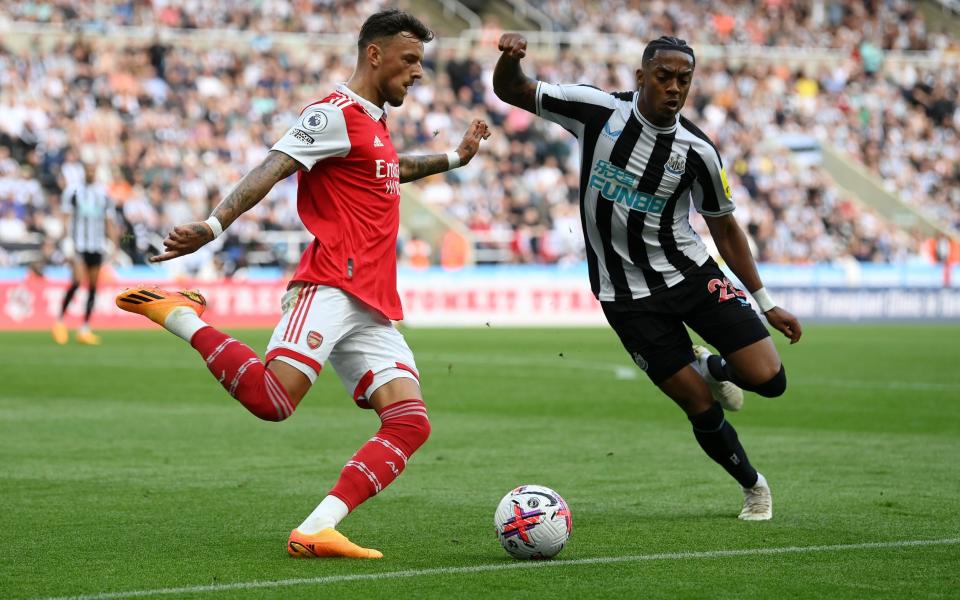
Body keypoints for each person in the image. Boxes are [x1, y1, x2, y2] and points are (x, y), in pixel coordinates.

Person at [116, 9, 490, 558]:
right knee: (273, 401)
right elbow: (274, 165)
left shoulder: (374, 122)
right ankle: (179, 313)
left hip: (371, 300)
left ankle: (317, 528)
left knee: (410, 422)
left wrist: (455, 157)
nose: (418, 73)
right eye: (410, 60)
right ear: (374, 54)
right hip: (331, 283)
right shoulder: (331, 113)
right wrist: (214, 225)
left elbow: (391, 168)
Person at [493, 34, 802, 520]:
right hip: (625, 296)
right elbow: (512, 90)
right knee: (699, 405)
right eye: (664, 77)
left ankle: (716, 367)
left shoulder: (698, 151)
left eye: (684, 79)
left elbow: (724, 226)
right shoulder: (595, 111)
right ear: (641, 77)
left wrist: (765, 302)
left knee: (769, 380)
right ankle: (753, 486)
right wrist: (509, 61)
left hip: (690, 275)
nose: (674, 88)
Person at [53, 161, 118, 346]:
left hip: (97, 245)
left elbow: (109, 220)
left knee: (93, 286)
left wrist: (115, 244)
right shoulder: (73, 192)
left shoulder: (103, 193)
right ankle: (59, 322)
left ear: (96, 171)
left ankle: (84, 328)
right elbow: (65, 217)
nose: (90, 172)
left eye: (92, 169)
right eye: (88, 169)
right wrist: (64, 240)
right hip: (78, 244)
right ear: (84, 172)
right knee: (76, 281)